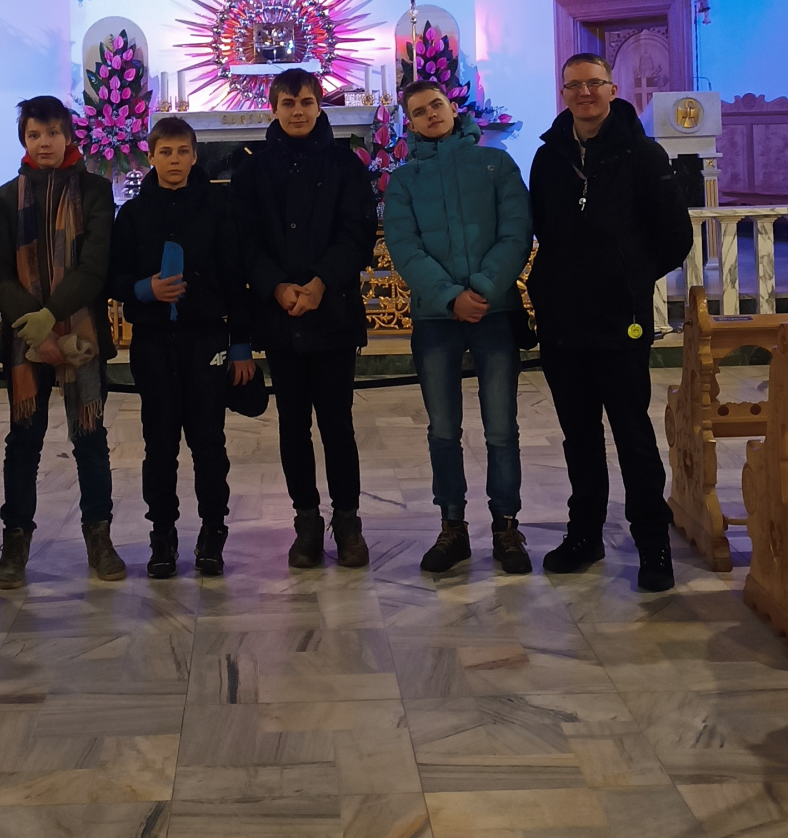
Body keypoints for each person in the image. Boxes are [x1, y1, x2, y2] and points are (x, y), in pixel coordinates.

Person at [529, 52, 693, 593]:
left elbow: (675, 235)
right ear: (563, 93)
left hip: (620, 321)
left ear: (612, 89)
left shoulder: (643, 154)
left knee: (633, 437)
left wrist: (629, 276)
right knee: (579, 438)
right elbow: (543, 228)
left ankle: (653, 544)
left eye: (594, 83)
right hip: (563, 323)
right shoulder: (549, 157)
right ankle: (585, 535)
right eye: (574, 85)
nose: (584, 93)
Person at [383, 79, 534, 576]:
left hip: (494, 311)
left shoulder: (495, 164)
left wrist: (484, 288)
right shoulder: (404, 180)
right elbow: (404, 247)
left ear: (452, 107)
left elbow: (516, 231)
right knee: (443, 429)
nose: (431, 115)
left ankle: (506, 525)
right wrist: (450, 297)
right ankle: (452, 527)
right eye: (419, 111)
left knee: (501, 428)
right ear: (410, 123)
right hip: (436, 317)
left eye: (436, 105)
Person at [233, 68, 379, 569]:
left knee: (337, 422)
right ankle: (306, 520)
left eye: (307, 102)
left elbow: (358, 232)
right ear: (273, 108)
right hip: (280, 316)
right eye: (289, 103)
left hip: (332, 310)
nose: (298, 111)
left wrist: (320, 283)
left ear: (320, 106)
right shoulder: (252, 169)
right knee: (292, 423)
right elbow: (245, 239)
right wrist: (276, 285)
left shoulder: (345, 163)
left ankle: (348, 520)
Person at [0, 95, 123, 589]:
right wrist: (35, 327)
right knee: (24, 442)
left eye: (52, 133)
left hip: (81, 336)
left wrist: (52, 317)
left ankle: (99, 537)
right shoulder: (5, 198)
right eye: (34, 135)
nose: (43, 143)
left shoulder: (95, 191)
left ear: (68, 136)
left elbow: (95, 266)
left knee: (90, 439)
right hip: (26, 344)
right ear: (24, 140)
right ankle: (15, 542)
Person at [110, 116, 256, 579]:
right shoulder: (133, 214)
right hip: (153, 343)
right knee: (159, 444)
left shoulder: (218, 207)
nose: (174, 161)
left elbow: (235, 277)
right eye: (165, 152)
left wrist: (241, 345)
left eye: (182, 152)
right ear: (150, 156)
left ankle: (213, 529)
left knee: (208, 442)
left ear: (195, 156)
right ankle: (163, 534)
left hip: (205, 338)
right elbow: (113, 277)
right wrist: (145, 289)